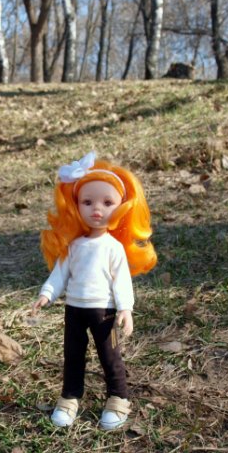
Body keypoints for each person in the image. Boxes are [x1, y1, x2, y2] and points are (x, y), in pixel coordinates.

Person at [32, 152, 156, 430]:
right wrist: (47, 294)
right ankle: (69, 398)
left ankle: (118, 398)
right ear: (75, 206)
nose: (96, 209)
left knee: (109, 355)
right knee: (72, 354)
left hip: (105, 311)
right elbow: (59, 274)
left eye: (107, 202)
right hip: (74, 309)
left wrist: (125, 308)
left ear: (122, 206)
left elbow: (122, 280)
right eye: (87, 202)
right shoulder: (74, 245)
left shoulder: (113, 247)